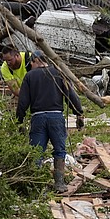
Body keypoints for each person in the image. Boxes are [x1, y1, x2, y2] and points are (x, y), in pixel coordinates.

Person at [16, 51, 84, 192]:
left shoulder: (29, 76)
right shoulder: (58, 73)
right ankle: (59, 183)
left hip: (38, 118)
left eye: (31, 64)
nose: (31, 67)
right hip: (56, 118)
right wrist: (78, 113)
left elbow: (23, 102)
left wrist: (20, 121)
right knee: (59, 150)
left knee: (36, 151)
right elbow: (70, 94)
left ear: (36, 60)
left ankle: (35, 185)